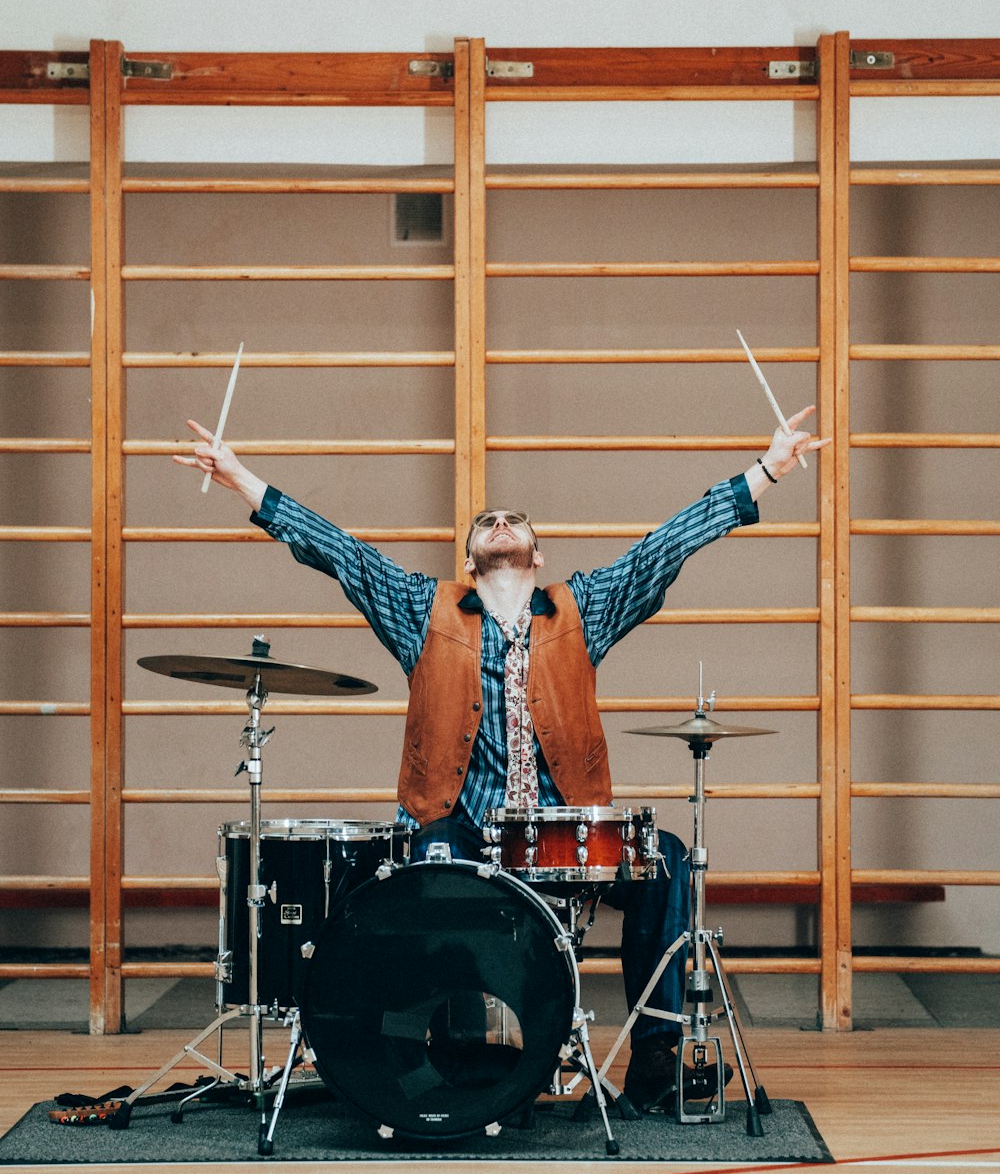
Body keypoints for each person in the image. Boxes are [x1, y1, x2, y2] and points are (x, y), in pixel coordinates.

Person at [175, 407, 826, 1111]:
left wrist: (767, 471)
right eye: (486, 523)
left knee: (666, 858)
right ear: (468, 559)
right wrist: (241, 478)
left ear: (538, 556)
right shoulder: (421, 608)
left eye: (514, 521)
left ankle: (657, 1054)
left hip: (560, 830)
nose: (500, 525)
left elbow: (663, 547)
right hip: (456, 826)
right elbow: (338, 549)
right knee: (424, 863)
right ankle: (428, 1054)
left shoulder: (587, 607)